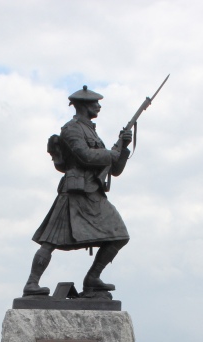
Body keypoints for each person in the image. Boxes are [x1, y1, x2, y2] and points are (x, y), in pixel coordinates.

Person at [23, 85, 134, 297]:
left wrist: (123, 148)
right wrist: (111, 153)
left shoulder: (91, 130)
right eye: (95, 103)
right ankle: (32, 283)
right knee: (50, 240)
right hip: (75, 191)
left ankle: (92, 278)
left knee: (119, 235)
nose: (98, 106)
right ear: (83, 105)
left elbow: (115, 170)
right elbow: (84, 156)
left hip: (93, 192)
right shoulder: (71, 129)